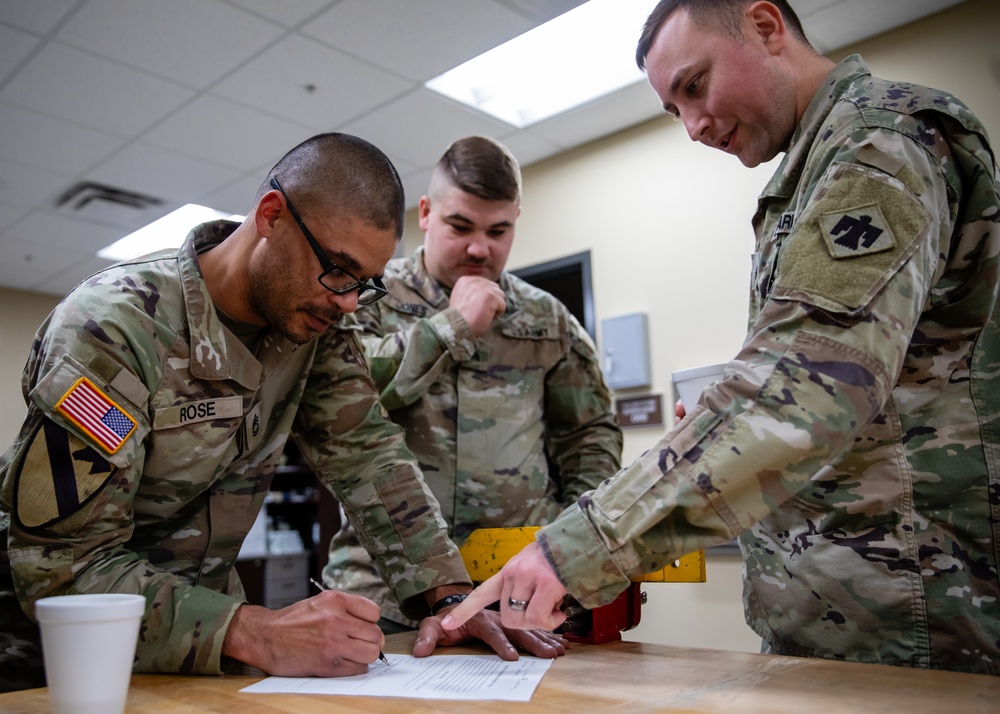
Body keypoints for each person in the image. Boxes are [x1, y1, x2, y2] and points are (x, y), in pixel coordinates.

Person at [443, 0, 1000, 675]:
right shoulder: (812, 170)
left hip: (916, 614)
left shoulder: (879, 143)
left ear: (765, 26)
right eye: (675, 110)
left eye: (694, 86)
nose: (694, 126)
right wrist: (721, 425)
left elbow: (804, 392)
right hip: (847, 606)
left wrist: (577, 546)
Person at [0, 132, 567, 693]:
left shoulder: (314, 329)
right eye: (337, 270)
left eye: (363, 284)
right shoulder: (115, 330)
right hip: (49, 660)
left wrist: (447, 599)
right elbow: (62, 568)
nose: (347, 302)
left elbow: (369, 457)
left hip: (200, 652)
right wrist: (255, 630)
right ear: (271, 215)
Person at [323, 135, 623, 631]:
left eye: (498, 231)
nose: (480, 248)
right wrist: (452, 324)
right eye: (460, 226)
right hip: (388, 589)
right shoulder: (365, 297)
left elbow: (590, 437)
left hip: (516, 587)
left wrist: (569, 549)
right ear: (424, 213)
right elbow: (340, 396)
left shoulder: (547, 319)